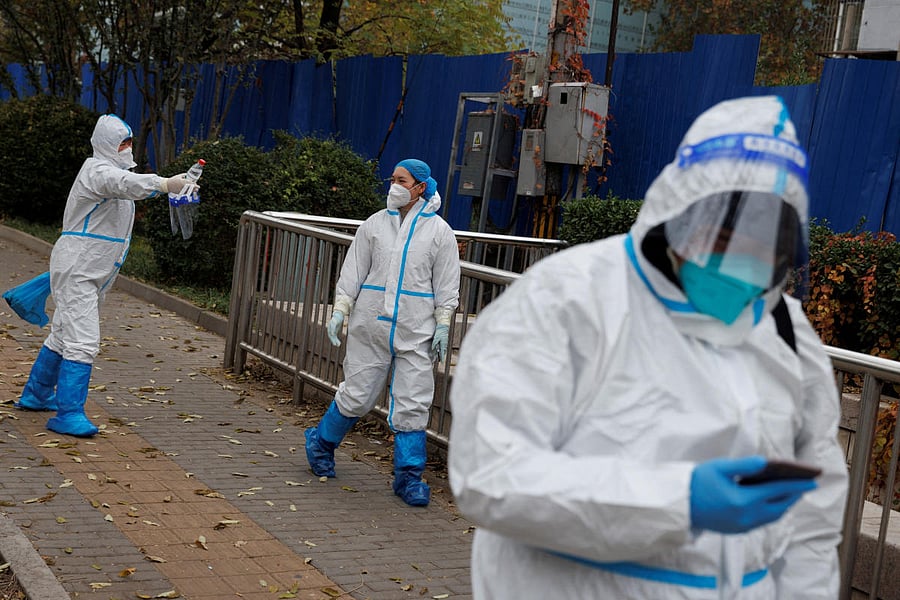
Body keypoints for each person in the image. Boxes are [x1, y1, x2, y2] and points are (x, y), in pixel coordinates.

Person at [448, 96, 849, 598]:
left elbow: (814, 516)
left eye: (761, 244)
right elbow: (491, 474)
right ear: (679, 211)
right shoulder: (568, 299)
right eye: (723, 234)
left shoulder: (787, 332)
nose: (736, 259)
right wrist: (682, 501)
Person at [14, 114, 197, 437]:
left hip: (88, 271)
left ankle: (37, 394)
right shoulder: (96, 172)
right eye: (121, 143)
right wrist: (164, 183)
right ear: (106, 145)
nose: (127, 148)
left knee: (63, 334)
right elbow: (123, 184)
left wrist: (171, 183)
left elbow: (128, 186)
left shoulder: (111, 172)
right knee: (83, 342)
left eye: (129, 142)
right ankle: (68, 413)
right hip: (80, 271)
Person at [305, 158, 461, 507]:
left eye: (401, 180)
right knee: (357, 395)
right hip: (371, 326)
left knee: (413, 402)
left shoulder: (439, 233)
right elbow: (353, 270)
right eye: (392, 179)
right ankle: (320, 444)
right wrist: (341, 309)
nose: (394, 185)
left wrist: (443, 323)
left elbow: (447, 283)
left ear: (420, 187)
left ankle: (409, 478)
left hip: (415, 331)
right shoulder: (374, 226)